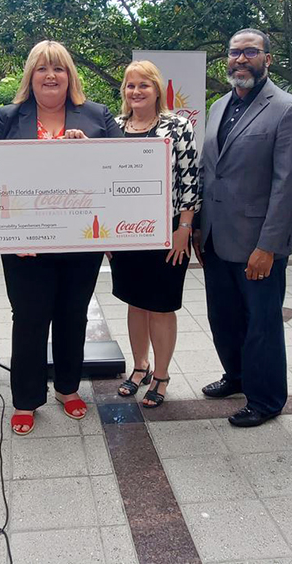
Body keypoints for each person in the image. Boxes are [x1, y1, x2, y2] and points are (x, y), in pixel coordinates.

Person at [0, 40, 122, 435]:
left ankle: (67, 387)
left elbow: (123, 169)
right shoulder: (7, 118)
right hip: (26, 245)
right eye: (42, 68)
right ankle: (26, 399)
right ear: (30, 75)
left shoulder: (97, 116)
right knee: (28, 319)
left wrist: (91, 152)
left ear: (70, 76)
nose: (50, 75)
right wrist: (10, 233)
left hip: (80, 243)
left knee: (72, 315)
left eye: (58, 68)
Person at [193, 28, 292, 428]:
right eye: (234, 53)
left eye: (250, 52)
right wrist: (197, 229)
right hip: (215, 236)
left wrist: (269, 245)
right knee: (223, 316)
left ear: (267, 58)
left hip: (258, 242)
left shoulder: (288, 108)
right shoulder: (219, 105)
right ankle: (237, 376)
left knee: (261, 323)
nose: (241, 60)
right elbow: (211, 171)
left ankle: (266, 399)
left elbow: (288, 185)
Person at [109, 60, 200, 407]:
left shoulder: (178, 126)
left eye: (143, 85)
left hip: (167, 232)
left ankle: (161, 375)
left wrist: (184, 229)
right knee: (135, 301)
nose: (136, 92)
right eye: (130, 86)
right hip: (126, 232)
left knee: (161, 306)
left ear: (157, 89)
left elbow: (191, 180)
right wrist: (107, 236)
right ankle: (140, 367)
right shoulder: (115, 126)